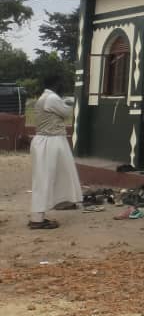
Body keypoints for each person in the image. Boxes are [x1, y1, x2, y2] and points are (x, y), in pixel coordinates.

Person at [29, 74, 83, 230]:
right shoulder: (52, 98)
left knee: (61, 175)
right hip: (49, 142)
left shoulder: (46, 97)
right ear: (56, 84)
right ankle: (37, 219)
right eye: (61, 83)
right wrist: (68, 102)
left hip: (50, 141)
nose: (63, 86)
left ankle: (60, 203)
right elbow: (66, 112)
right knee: (44, 180)